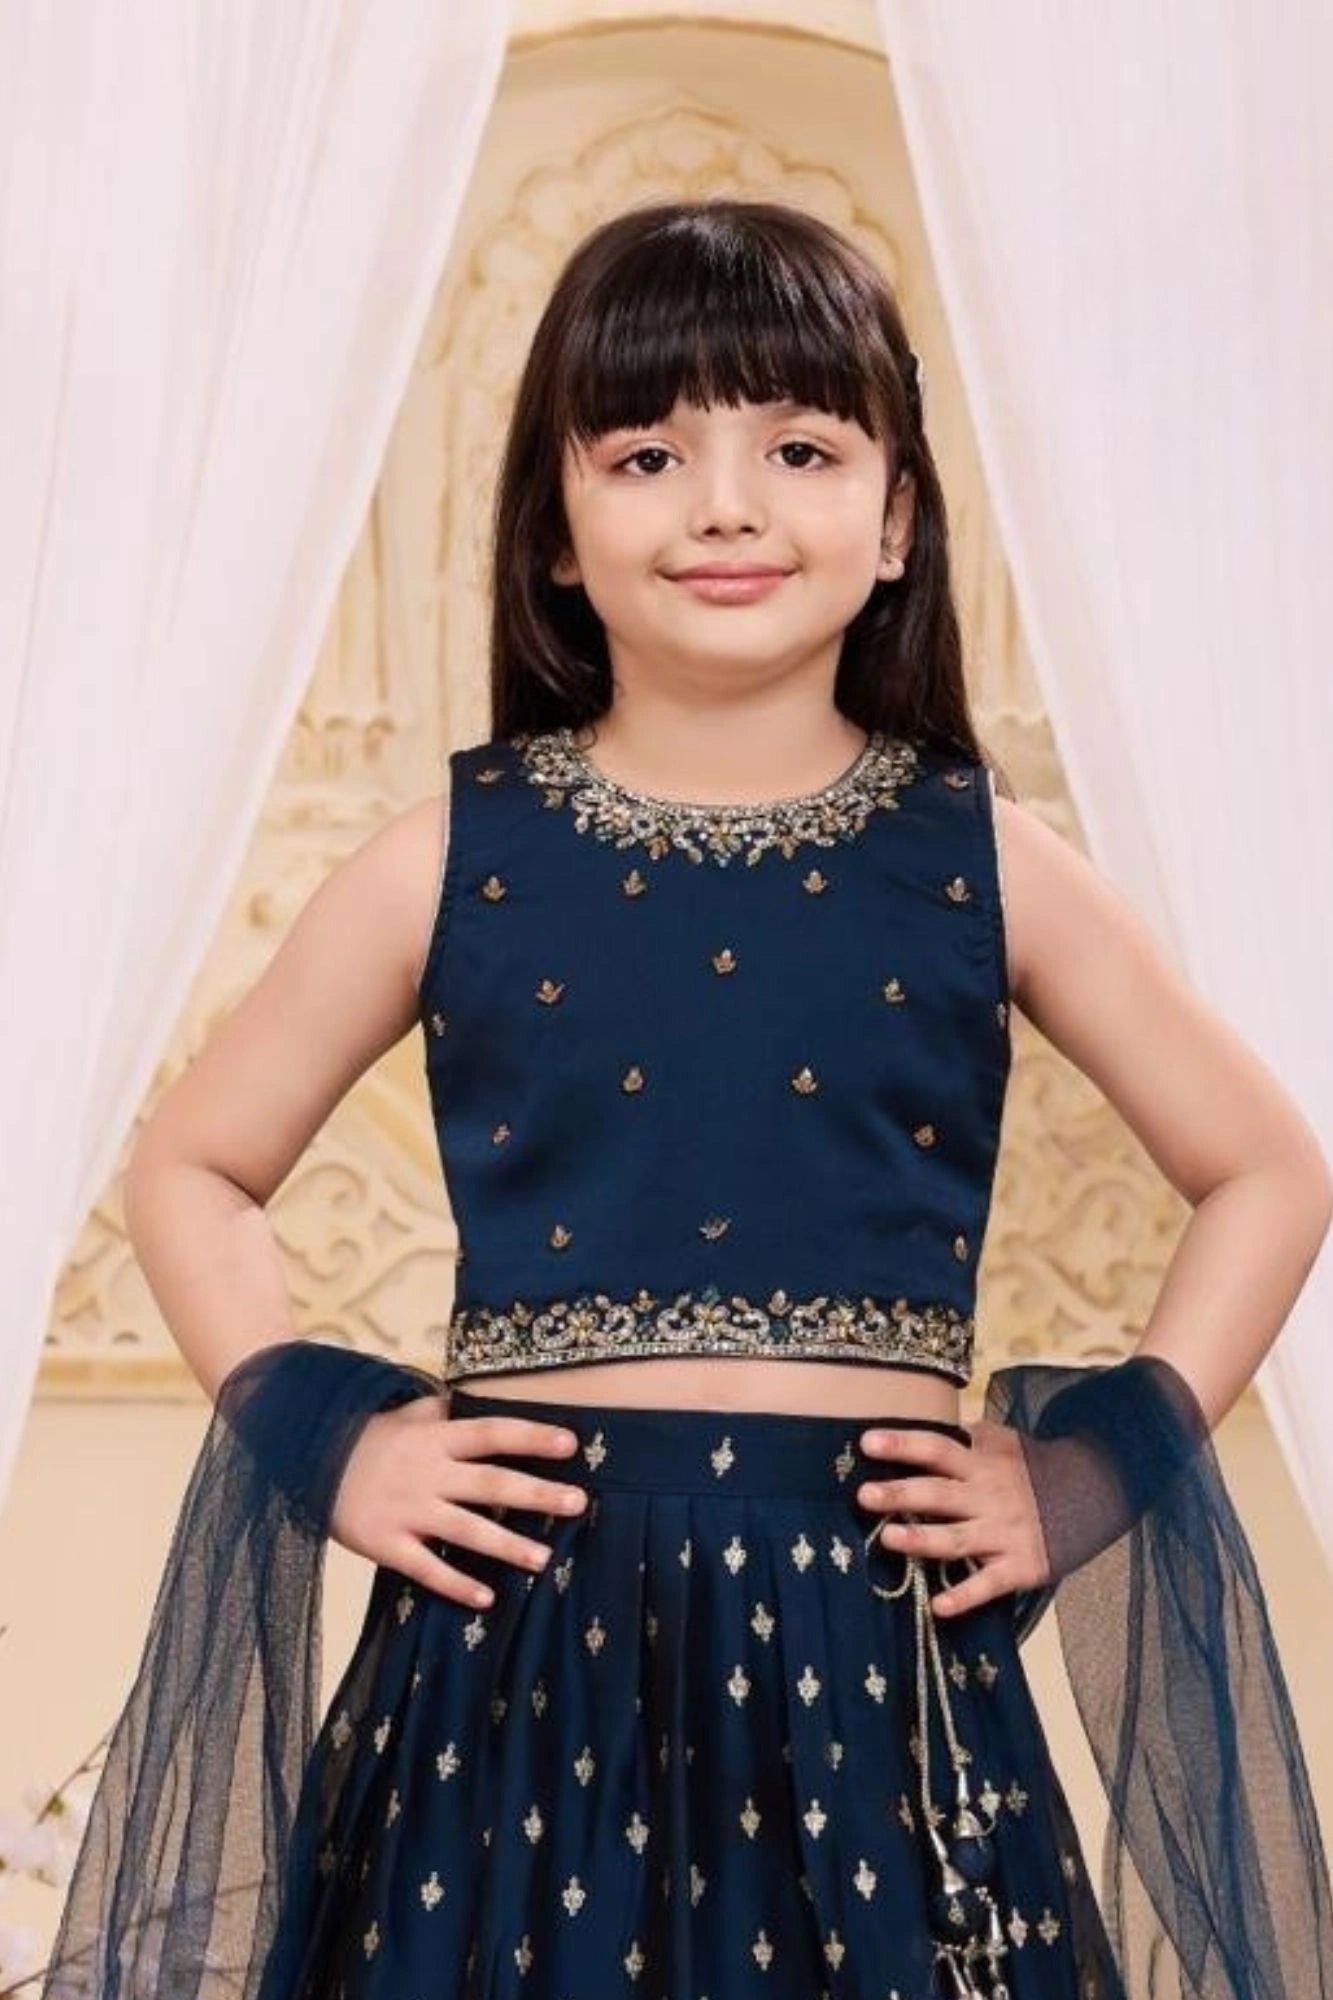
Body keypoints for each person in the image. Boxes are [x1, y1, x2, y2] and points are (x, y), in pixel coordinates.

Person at [40, 199, 1333, 2000]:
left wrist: (1092, 1469)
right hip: (514, 1664)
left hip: (869, 1653)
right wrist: (338, 1442)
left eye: (799, 450)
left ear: (896, 518)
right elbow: (192, 1163)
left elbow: (1267, 1166)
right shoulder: (451, 854)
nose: (725, 506)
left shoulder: (983, 860)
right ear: (553, 532)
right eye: (647, 454)